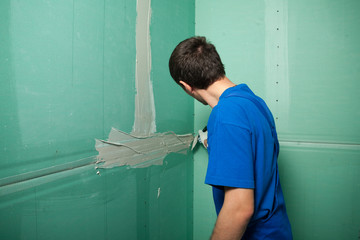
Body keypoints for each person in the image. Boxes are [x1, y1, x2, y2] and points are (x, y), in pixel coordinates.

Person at [169, 36, 292, 240]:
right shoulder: (253, 101)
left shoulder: (225, 115)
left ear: (186, 85)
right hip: (278, 230)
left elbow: (239, 210)